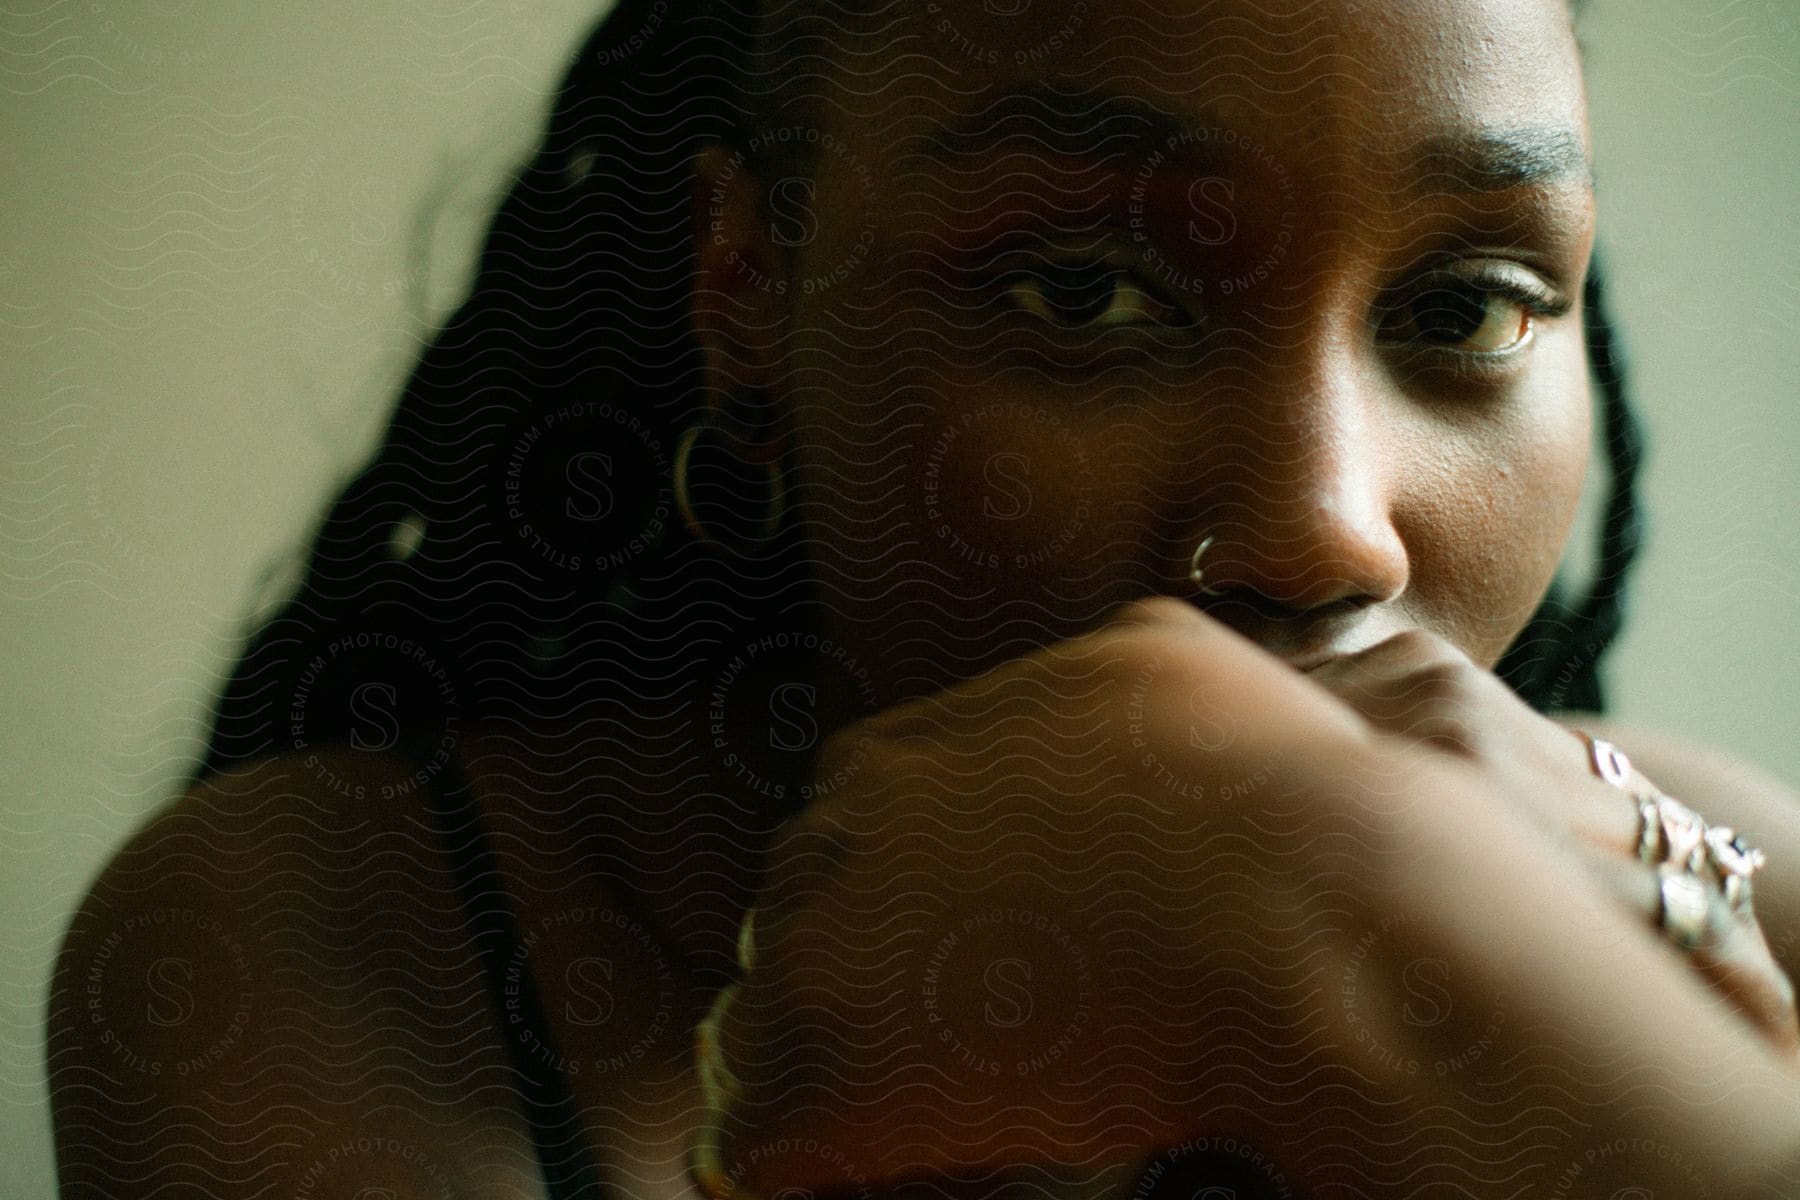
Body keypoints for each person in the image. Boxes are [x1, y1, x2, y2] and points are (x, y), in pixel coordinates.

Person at [47, 0, 1800, 1196]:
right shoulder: (342, 937)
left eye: (1466, 307)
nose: (1327, 531)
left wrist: (1388, 942)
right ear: (749, 287)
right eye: (1085, 292)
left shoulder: (1727, 873)